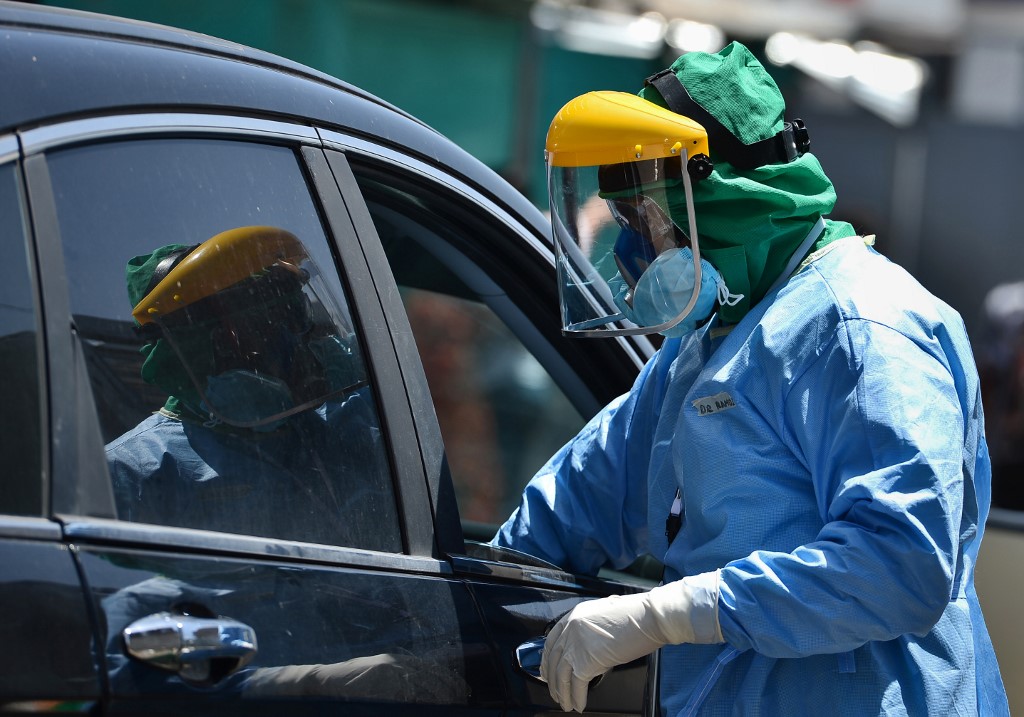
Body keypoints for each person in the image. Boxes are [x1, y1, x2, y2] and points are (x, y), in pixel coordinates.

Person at [493, 42, 1009, 715]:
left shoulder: (864, 327)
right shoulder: (704, 345)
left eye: (645, 219)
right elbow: (582, 498)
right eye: (623, 221)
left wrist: (670, 613)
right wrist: (447, 615)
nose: (630, 252)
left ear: (722, 200)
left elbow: (901, 563)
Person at [106, 225, 395, 549]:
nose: (289, 343)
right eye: (258, 328)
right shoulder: (131, 471)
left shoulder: (354, 421)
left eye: (290, 317)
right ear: (195, 352)